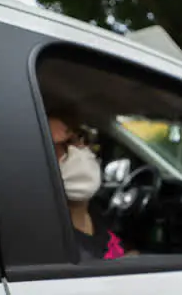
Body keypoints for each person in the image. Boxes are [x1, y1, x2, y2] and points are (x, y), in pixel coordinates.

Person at [49, 110, 137, 260]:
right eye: (60, 147)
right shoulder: (53, 241)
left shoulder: (95, 213)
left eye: (79, 139)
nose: (77, 152)